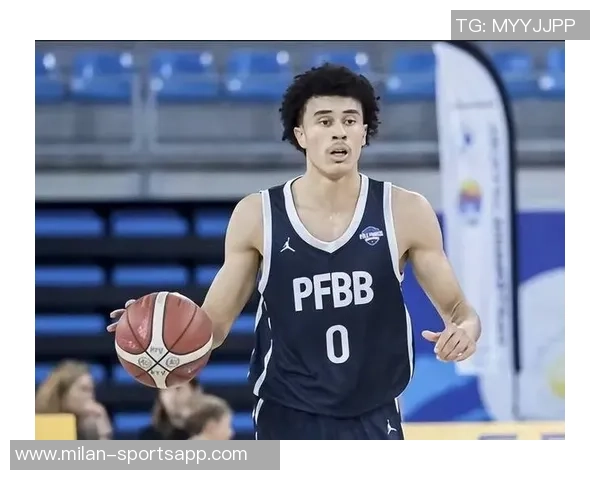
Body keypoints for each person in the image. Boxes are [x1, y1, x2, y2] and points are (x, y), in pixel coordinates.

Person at [108, 63, 481, 440]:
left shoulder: (405, 210)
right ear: (300, 133)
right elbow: (213, 327)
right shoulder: (258, 215)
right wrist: (157, 332)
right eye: (325, 121)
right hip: (287, 413)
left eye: (350, 121)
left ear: (364, 131)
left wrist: (465, 331)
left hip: (373, 411)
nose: (339, 131)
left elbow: (460, 311)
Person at [35, 360, 113, 440]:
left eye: (91, 390)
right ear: (63, 392)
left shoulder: (89, 425)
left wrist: (102, 427)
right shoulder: (38, 424)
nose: (90, 396)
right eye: (84, 389)